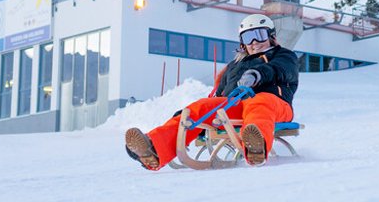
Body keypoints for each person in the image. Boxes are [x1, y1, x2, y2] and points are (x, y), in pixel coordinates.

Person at [124, 14, 300, 169]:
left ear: (271, 36)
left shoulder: (283, 55)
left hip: (275, 104)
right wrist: (200, 122)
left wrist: (258, 74)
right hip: (238, 106)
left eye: (259, 35)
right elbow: (219, 96)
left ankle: (256, 147)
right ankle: (152, 149)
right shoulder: (234, 66)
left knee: (260, 103)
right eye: (248, 38)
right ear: (242, 43)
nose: (254, 42)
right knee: (201, 107)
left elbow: (282, 69)